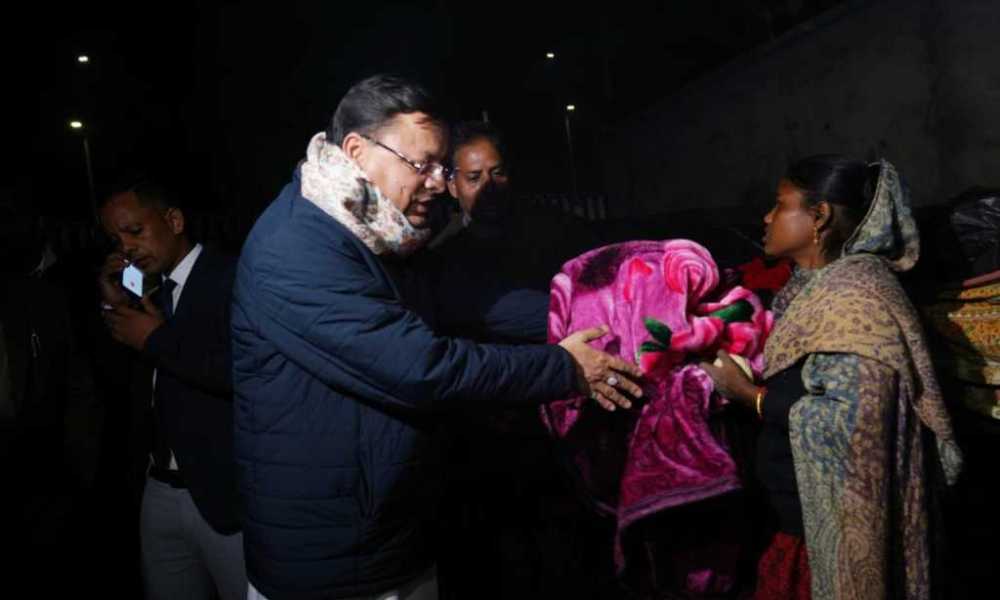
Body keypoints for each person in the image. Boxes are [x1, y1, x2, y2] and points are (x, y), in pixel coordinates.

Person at [232, 74, 643, 600]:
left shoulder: (379, 230)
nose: (435, 183)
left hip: (394, 535)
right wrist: (565, 368)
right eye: (422, 164)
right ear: (356, 151)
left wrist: (618, 316)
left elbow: (473, 300)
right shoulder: (297, 247)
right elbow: (421, 368)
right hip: (333, 563)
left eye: (441, 167)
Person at [701, 155, 962, 599]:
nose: (767, 218)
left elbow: (857, 426)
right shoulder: (813, 289)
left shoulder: (855, 301)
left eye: (780, 205)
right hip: (795, 525)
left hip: (834, 539)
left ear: (819, 216)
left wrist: (749, 395)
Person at [98, 180, 245, 600]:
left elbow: (240, 372)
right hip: (158, 486)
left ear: (174, 221)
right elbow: (125, 366)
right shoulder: (150, 285)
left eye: (135, 231)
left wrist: (156, 339)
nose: (127, 248)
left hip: (222, 494)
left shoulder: (231, 276)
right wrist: (113, 301)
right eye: (116, 240)